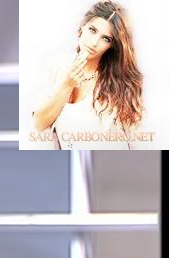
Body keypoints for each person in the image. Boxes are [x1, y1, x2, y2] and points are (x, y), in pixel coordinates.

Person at [31, 1, 145, 150]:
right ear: (82, 26)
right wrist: (67, 85)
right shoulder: (56, 66)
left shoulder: (120, 82)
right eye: (92, 30)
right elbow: (39, 123)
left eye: (106, 38)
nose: (94, 42)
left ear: (112, 46)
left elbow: (138, 143)